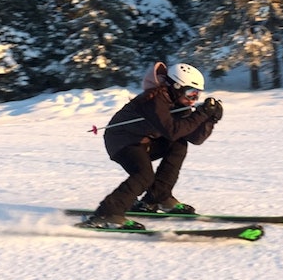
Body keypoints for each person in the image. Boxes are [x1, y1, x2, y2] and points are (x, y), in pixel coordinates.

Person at [81, 62, 224, 230]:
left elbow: (194, 138)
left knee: (179, 145)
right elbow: (172, 131)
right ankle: (107, 213)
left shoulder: (179, 104)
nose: (193, 100)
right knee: (144, 175)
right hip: (122, 141)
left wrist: (210, 119)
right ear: (176, 86)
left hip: (144, 141)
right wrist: (201, 114)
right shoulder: (155, 99)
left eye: (197, 95)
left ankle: (157, 197)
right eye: (191, 93)